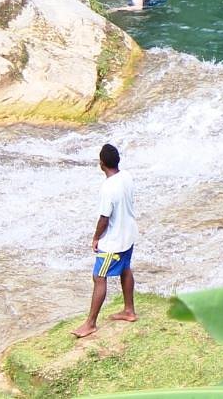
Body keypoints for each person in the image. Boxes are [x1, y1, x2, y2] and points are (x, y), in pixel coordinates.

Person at [73, 143, 138, 339]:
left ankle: (90, 323)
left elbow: (104, 218)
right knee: (125, 269)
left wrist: (96, 238)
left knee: (99, 277)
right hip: (129, 234)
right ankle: (129, 310)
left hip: (114, 242)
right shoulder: (126, 177)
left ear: (101, 164)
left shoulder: (107, 188)